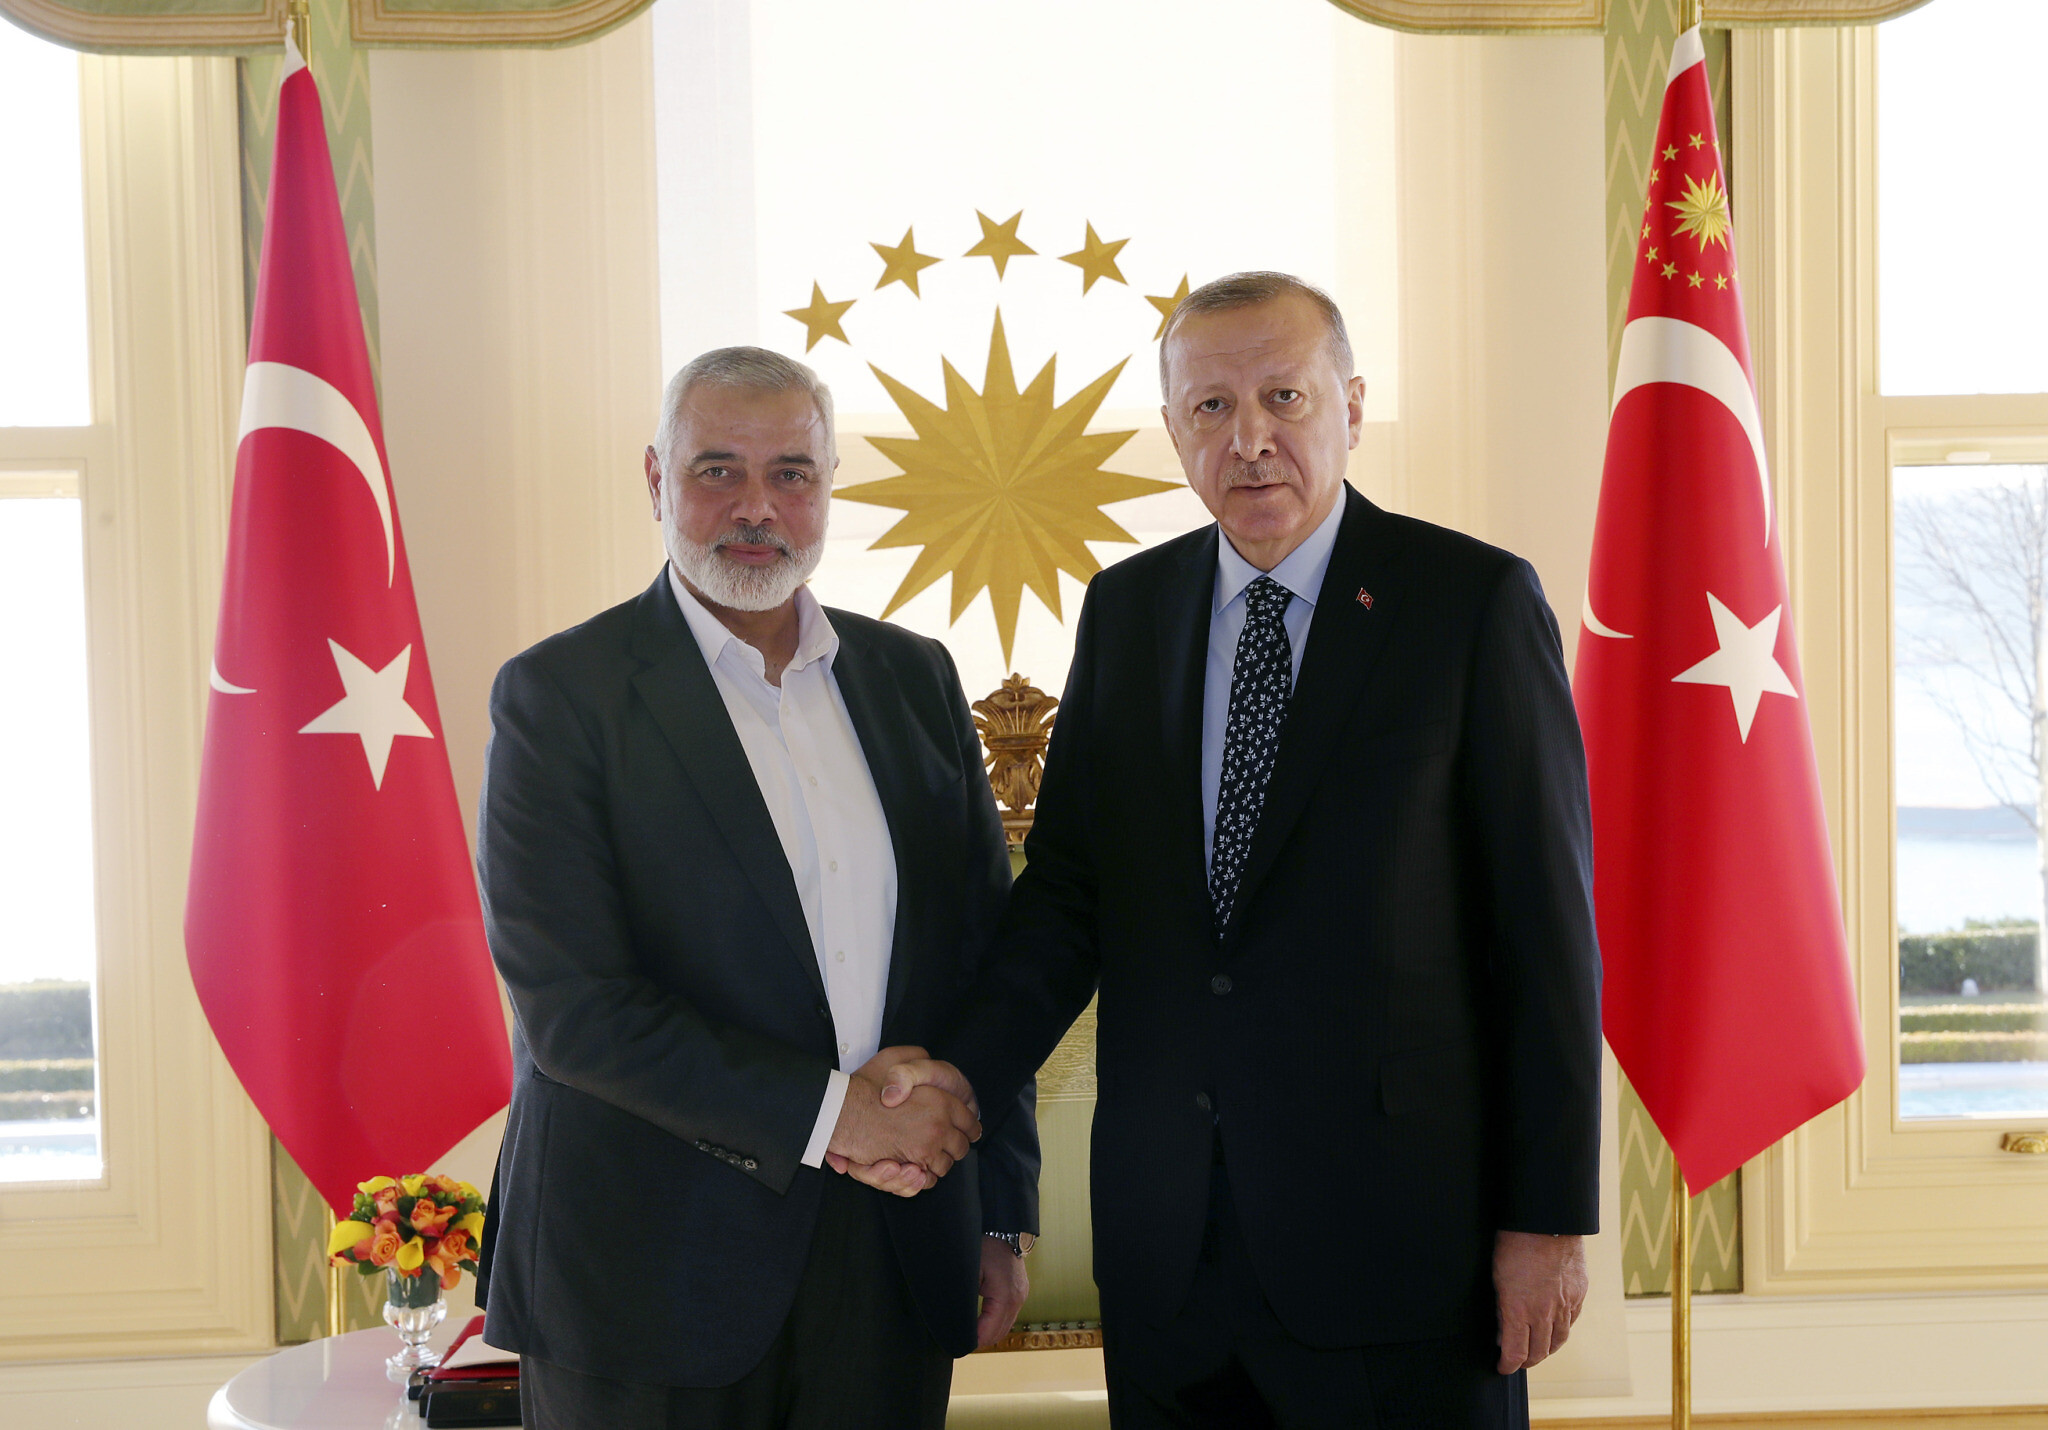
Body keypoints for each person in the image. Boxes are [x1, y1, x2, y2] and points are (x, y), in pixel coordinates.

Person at [871, 272, 1602, 1427]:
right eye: (1209, 408)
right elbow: (1065, 898)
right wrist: (957, 1071)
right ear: (1171, 430)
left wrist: (1546, 1220)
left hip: (1399, 1257)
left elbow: (1547, 938)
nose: (1250, 439)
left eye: (1283, 396)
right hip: (1171, 1259)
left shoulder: (1467, 604)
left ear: (1350, 406)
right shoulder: (1128, 612)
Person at [472, 346, 1040, 1430]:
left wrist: (998, 1210)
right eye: (716, 469)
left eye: (790, 472)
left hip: (891, 1259)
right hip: (644, 1275)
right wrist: (837, 1117)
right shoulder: (560, 696)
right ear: (654, 479)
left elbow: (985, 957)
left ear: (829, 486)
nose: (755, 507)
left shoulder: (915, 678)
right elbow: (574, 1010)